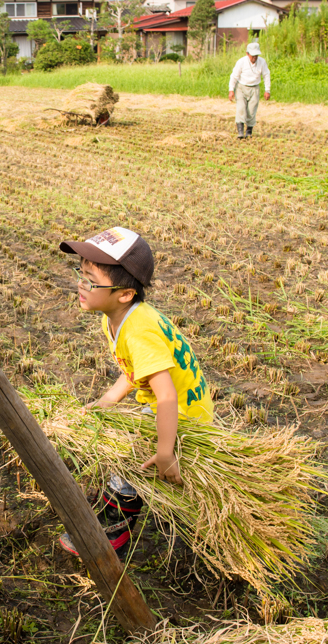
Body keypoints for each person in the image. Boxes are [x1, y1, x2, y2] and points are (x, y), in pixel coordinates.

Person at [55, 228, 213, 558]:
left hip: (181, 413)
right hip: (169, 405)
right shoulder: (115, 317)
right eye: (80, 274)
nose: (80, 285)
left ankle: (113, 533)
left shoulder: (138, 330)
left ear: (124, 294)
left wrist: (165, 451)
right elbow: (133, 374)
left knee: (127, 458)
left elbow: (167, 396)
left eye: (90, 279)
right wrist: (106, 401)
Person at [228, 42, 271, 139]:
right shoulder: (241, 62)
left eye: (256, 55)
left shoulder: (262, 62)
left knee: (251, 111)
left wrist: (267, 90)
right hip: (241, 87)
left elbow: (266, 75)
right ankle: (240, 132)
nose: (254, 57)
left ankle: (249, 132)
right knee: (241, 108)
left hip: (254, 88)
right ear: (247, 54)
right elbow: (234, 76)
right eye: (252, 55)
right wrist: (231, 90)